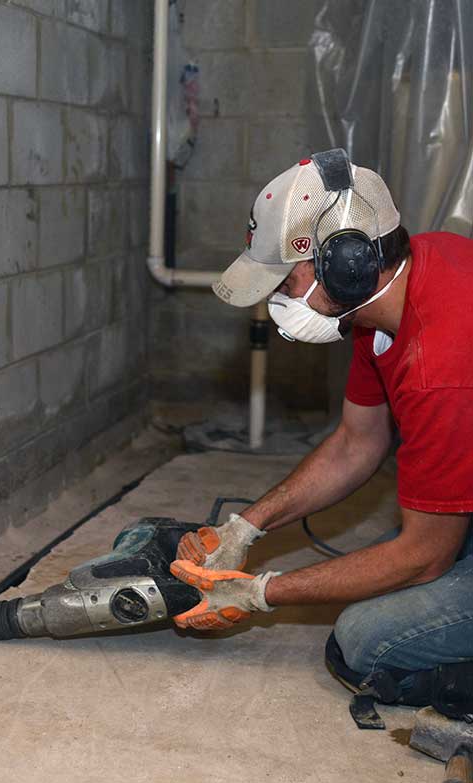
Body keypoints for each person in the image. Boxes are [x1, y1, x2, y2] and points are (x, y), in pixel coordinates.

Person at [169, 149, 473, 712]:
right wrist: (244, 529)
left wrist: (261, 593)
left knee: (366, 640)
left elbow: (425, 555)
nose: (279, 298)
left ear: (348, 261)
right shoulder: (392, 298)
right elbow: (359, 442)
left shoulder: (442, 364)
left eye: (286, 278)